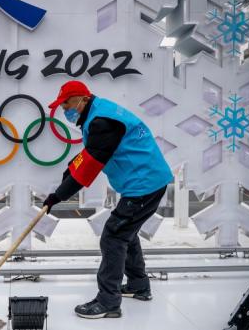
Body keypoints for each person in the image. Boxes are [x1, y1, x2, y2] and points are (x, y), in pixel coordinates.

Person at [43, 80, 173, 319]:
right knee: (125, 232)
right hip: (146, 179)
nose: (64, 110)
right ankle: (138, 285)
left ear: (82, 99)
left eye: (67, 103)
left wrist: (57, 196)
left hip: (144, 184)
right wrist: (68, 173)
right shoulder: (97, 112)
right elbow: (87, 154)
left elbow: (90, 166)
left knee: (113, 236)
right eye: (61, 106)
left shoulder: (103, 121)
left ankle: (108, 302)